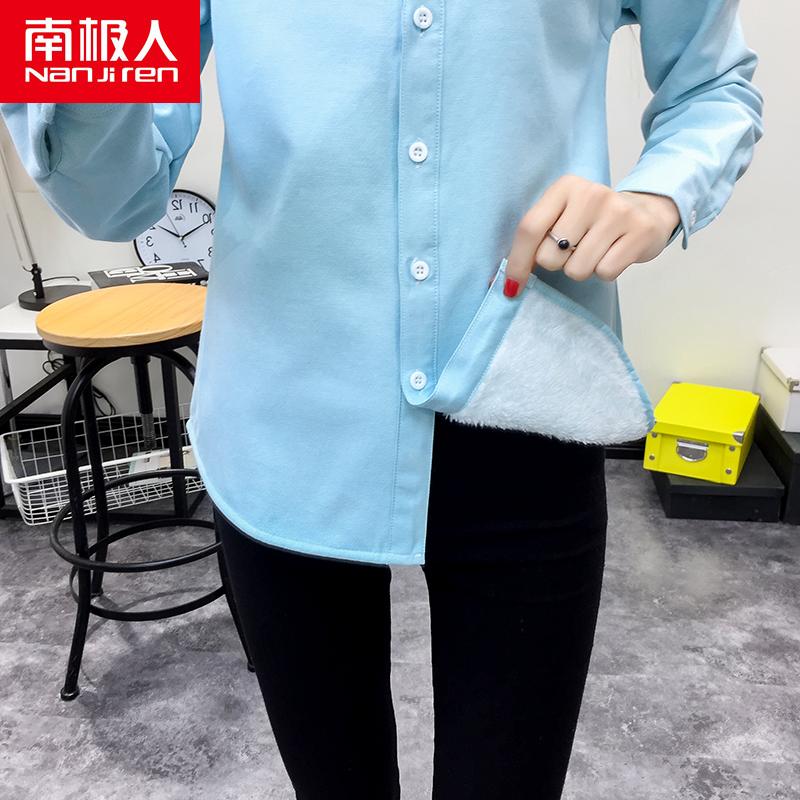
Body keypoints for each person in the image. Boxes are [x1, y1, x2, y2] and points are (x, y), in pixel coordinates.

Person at [1, 1, 763, 797]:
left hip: (526, 406)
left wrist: (658, 196)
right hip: (285, 418)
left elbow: (715, 85)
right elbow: (113, 199)